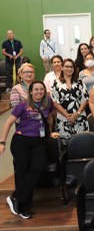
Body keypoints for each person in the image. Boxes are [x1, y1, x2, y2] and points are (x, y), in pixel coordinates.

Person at [1, 81, 55, 219]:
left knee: (37, 169)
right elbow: (8, 122)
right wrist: (2, 142)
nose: (39, 92)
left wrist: (50, 133)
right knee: (23, 172)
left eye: (41, 89)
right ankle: (24, 207)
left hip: (39, 141)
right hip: (21, 142)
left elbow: (49, 118)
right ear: (30, 91)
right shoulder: (23, 104)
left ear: (44, 91)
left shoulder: (48, 102)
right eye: (36, 89)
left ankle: (15, 198)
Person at [51, 59, 89, 139]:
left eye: (71, 67)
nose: (69, 69)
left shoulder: (80, 82)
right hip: (63, 119)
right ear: (62, 68)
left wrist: (76, 114)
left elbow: (85, 99)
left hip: (79, 118)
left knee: (82, 142)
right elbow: (54, 101)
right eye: (66, 67)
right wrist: (67, 115)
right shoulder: (55, 83)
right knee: (65, 145)